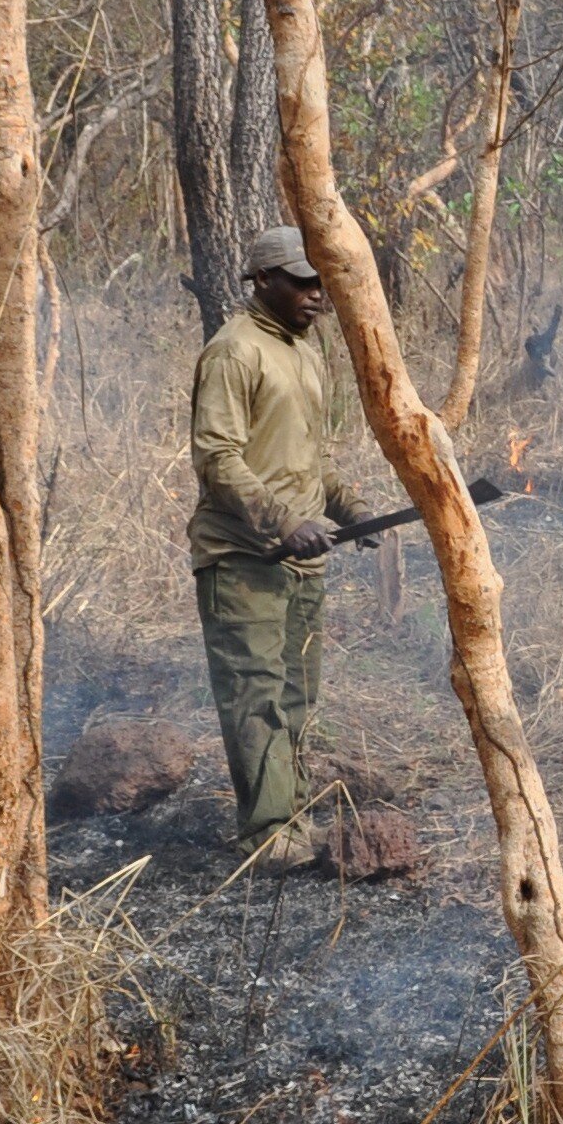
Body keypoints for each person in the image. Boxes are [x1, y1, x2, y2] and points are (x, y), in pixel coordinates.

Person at [191, 233, 370, 868]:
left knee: (296, 693)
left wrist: (348, 509)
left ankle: (291, 820)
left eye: (321, 283)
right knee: (256, 694)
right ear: (262, 277)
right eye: (302, 281)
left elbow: (310, 458)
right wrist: (284, 519)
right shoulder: (234, 351)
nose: (317, 295)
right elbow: (217, 457)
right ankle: (267, 836)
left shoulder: (303, 352)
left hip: (301, 558)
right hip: (243, 556)